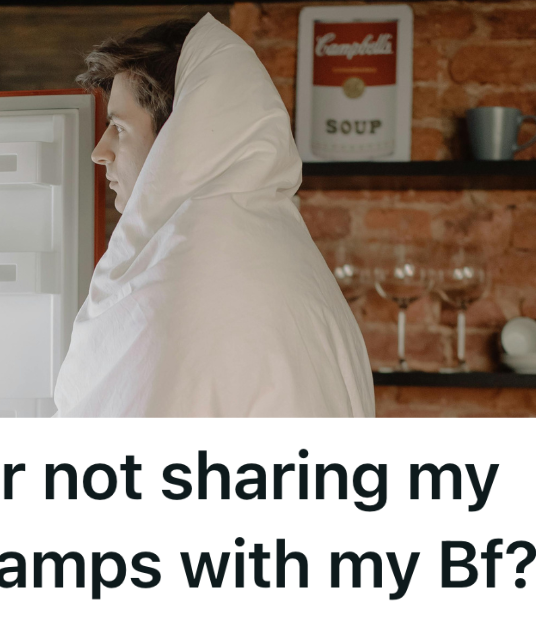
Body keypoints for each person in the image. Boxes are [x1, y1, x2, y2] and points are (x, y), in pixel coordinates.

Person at [52, 13, 375, 417]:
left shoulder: (191, 265)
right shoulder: (282, 248)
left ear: (178, 134)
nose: (100, 151)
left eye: (118, 126)